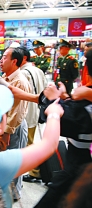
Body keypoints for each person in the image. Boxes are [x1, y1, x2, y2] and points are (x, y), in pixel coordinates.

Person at [34, 43, 92, 208]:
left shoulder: (84, 106)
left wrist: (54, 101)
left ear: (85, 70)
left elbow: (64, 121)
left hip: (79, 171)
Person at [0, 47, 31, 200]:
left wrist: (7, 132)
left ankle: (13, 195)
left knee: (15, 162)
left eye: (4, 57)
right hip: (7, 127)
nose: (1, 60)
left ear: (14, 61)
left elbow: (17, 112)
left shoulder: (19, 81)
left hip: (14, 128)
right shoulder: (6, 78)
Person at [18, 47, 47, 183]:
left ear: (23, 58)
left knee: (28, 142)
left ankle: (35, 171)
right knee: (31, 140)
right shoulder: (38, 70)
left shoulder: (23, 73)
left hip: (26, 111)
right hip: (36, 110)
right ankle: (35, 170)